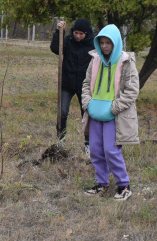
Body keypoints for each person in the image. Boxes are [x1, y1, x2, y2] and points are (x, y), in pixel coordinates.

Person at [80, 24, 139, 200]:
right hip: (95, 113)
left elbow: (132, 90)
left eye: (109, 43)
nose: (105, 46)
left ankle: (124, 185)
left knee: (111, 150)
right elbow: (86, 84)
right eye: (102, 42)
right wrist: (87, 103)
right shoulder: (95, 60)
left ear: (116, 43)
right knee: (96, 150)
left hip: (115, 115)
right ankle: (102, 183)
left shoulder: (127, 62)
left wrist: (114, 107)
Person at [50, 18, 95, 150]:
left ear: (86, 33)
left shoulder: (93, 45)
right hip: (67, 84)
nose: (78, 36)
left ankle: (89, 144)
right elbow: (55, 49)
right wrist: (59, 32)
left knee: (87, 114)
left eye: (81, 34)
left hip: (85, 86)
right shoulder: (68, 41)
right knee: (62, 112)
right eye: (76, 33)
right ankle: (60, 140)